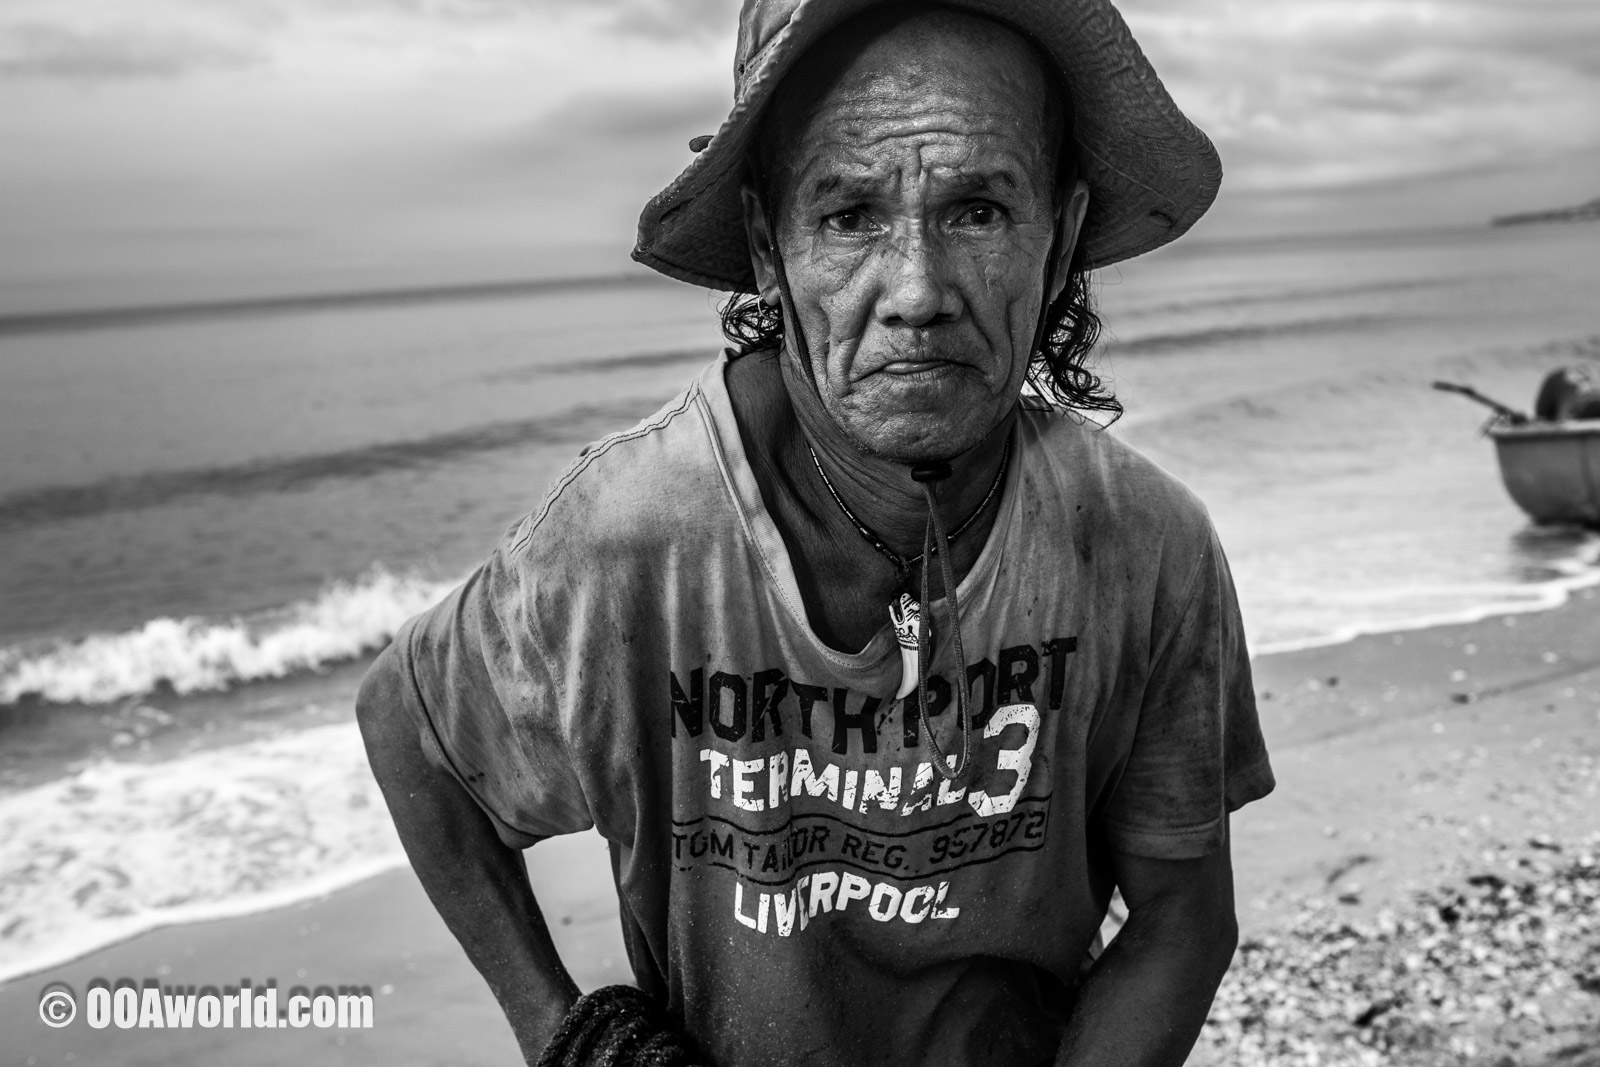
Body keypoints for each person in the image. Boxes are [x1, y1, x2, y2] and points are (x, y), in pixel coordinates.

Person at [357, 1, 1276, 1065]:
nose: (918, 293)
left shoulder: (1140, 542)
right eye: (848, 216)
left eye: (978, 210)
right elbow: (409, 726)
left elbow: (1181, 915)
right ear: (769, 246)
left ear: (1058, 237)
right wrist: (556, 1031)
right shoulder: (635, 537)